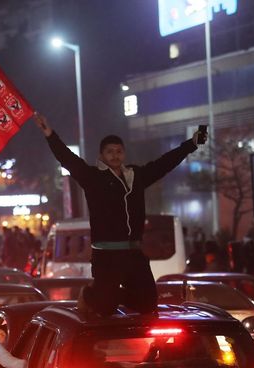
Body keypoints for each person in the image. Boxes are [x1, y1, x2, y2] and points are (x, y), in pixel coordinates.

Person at [35, 112, 207, 316]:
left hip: (134, 253)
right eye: (110, 152)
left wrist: (191, 144)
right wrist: (49, 134)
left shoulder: (136, 176)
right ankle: (93, 294)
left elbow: (164, 164)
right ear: (101, 155)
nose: (115, 155)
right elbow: (68, 159)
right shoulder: (93, 177)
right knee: (104, 308)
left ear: (124, 154)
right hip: (106, 255)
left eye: (119, 151)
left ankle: (106, 293)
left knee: (148, 303)